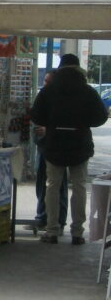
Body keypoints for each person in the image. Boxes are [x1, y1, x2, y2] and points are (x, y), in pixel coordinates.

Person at [29, 53, 108, 244]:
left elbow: (36, 115)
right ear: (78, 68)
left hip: (54, 143)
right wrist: (82, 123)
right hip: (79, 143)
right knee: (79, 186)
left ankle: (52, 230)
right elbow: (101, 117)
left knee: (53, 186)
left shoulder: (49, 90)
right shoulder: (87, 90)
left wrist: (52, 123)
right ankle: (78, 232)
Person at [27, 71, 68, 233]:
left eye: (48, 82)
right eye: (44, 81)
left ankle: (56, 221)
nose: (45, 84)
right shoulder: (44, 97)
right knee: (43, 182)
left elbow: (62, 124)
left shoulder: (61, 100)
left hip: (56, 148)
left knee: (56, 185)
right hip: (43, 146)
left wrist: (48, 130)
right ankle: (43, 217)